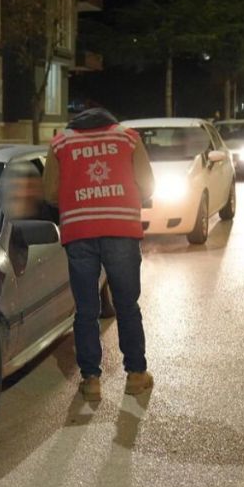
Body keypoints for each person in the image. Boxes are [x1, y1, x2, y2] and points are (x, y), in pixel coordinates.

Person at [42, 107, 156, 402]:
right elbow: (147, 186)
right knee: (127, 305)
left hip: (79, 231)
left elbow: (51, 193)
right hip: (121, 228)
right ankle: (135, 375)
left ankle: (91, 380)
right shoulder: (128, 139)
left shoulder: (61, 143)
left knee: (86, 309)